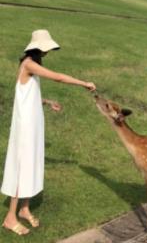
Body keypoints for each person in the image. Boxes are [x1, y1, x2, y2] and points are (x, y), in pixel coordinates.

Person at [1, 30, 96, 236]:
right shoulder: (28, 64)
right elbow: (58, 78)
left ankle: (24, 209)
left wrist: (47, 102)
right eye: (46, 49)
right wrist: (84, 83)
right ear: (38, 48)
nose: (47, 53)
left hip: (34, 124)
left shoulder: (32, 67)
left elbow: (26, 95)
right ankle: (10, 218)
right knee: (21, 168)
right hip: (25, 127)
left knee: (31, 164)